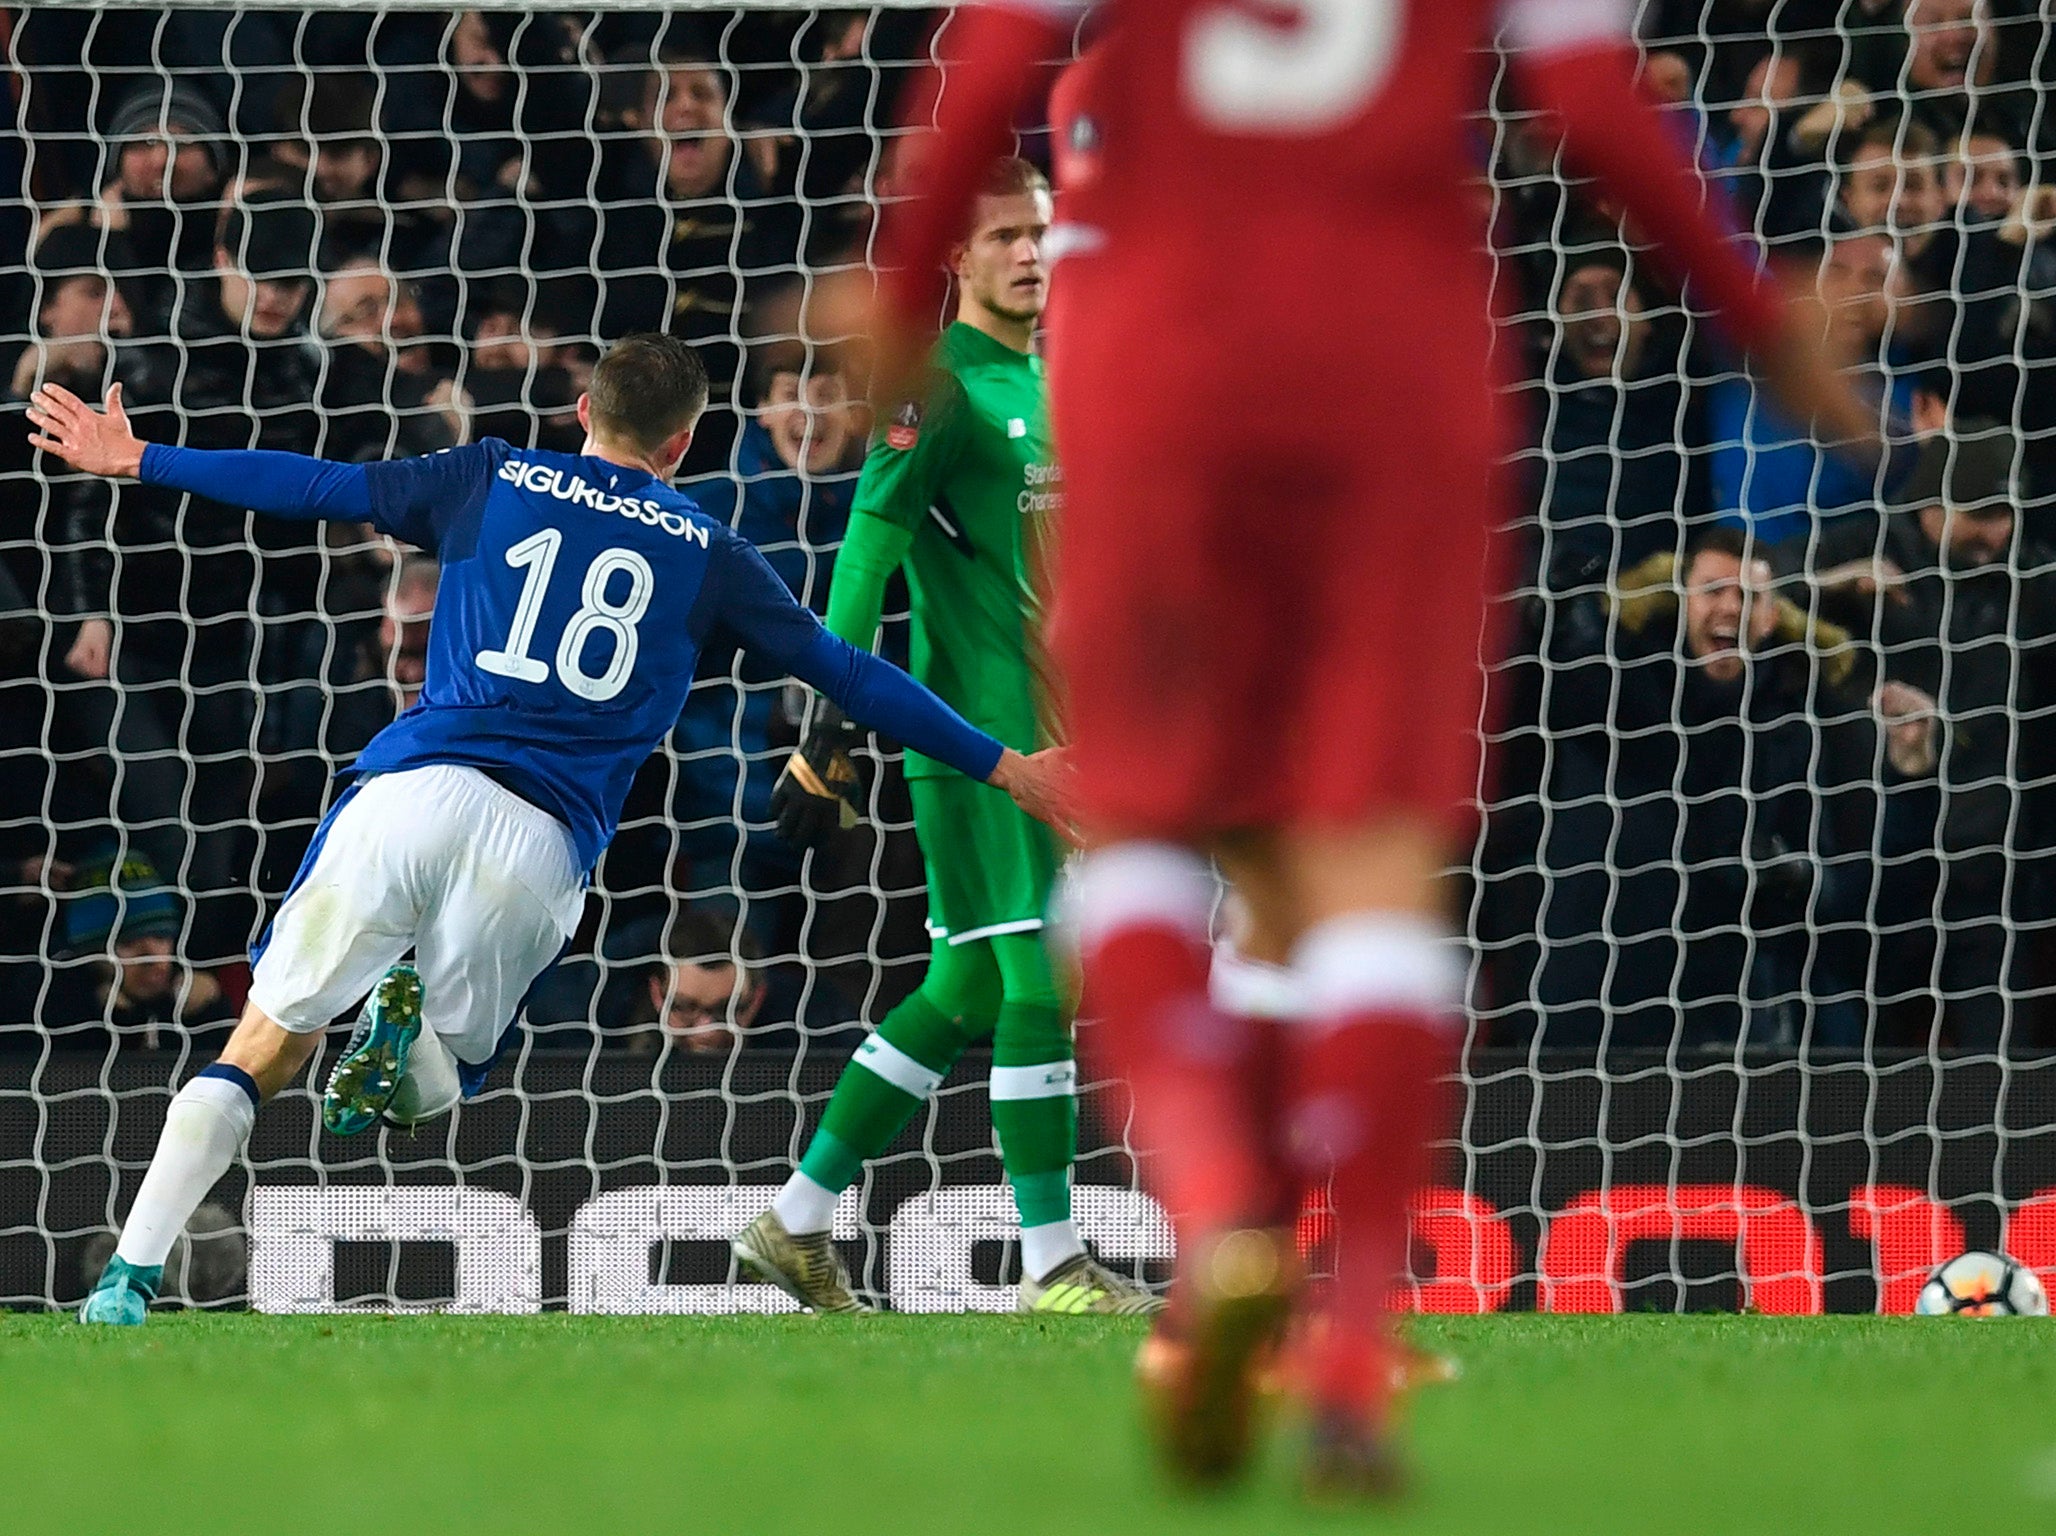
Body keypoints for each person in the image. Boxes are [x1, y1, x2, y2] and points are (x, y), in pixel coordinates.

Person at [865, 0, 1882, 1495]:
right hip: (1394, 373)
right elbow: (1595, 100)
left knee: (1151, 837)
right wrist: (1753, 309)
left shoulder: (1104, 93)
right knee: (1367, 867)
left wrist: (896, 284)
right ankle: (1340, 1353)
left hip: (1157, 373)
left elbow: (989, 54)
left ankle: (1219, 1228)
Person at [27, 332, 1071, 1327]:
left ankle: (126, 1274)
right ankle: (407, 1040)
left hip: (409, 791)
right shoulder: (709, 549)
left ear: (582, 411)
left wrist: (140, 457)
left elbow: (312, 486)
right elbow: (849, 672)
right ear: (682, 445)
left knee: (263, 1040)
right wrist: (1009, 766)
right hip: (537, 840)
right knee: (439, 1091)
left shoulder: (487, 473)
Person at [734, 159, 1157, 1319]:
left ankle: (796, 1223)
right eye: (1007, 235)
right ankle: (1054, 1266)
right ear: (955, 260)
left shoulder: (1059, 377)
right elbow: (868, 546)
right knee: (1039, 975)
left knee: (966, 980)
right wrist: (826, 723)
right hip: (985, 748)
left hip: (1070, 736)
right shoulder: (941, 390)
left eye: (1042, 231)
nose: (1031, 252)